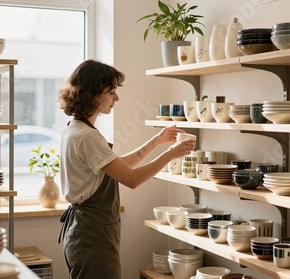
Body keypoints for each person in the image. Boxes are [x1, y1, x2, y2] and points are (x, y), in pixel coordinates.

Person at [57, 59, 196, 278]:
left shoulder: (77, 128)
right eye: (111, 92)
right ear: (92, 93)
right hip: (91, 234)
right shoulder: (87, 136)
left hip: (88, 230)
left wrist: (158, 141)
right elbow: (131, 179)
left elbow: (118, 167)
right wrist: (171, 154)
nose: (117, 98)